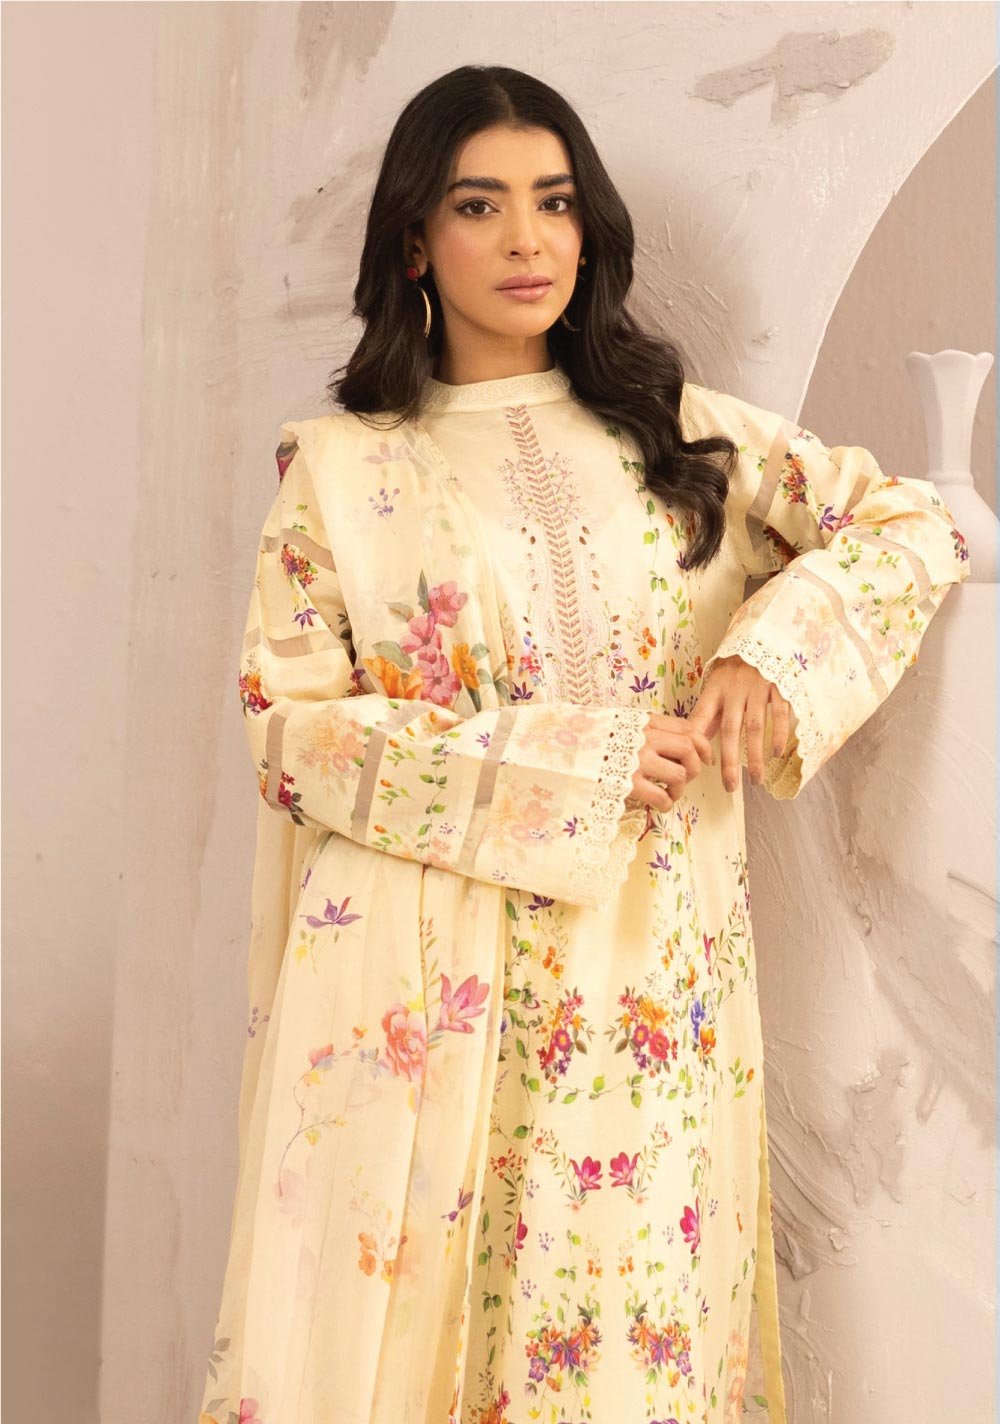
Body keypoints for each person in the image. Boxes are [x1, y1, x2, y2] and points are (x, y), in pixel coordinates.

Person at [197, 65, 969, 1424]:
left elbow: (914, 526)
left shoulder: (687, 439)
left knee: (619, 1347)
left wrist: (767, 651)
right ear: (413, 243)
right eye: (478, 205)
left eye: (554, 203)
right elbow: (293, 732)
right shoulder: (342, 471)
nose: (527, 239)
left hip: (645, 986)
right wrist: (573, 761)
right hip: (425, 985)